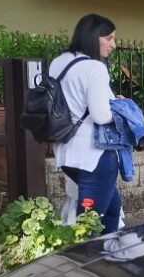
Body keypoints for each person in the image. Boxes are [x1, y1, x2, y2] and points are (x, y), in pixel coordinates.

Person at [50, 14, 122, 235]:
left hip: (67, 154)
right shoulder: (95, 68)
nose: (113, 44)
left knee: (112, 209)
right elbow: (101, 115)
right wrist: (118, 107)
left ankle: (109, 260)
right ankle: (86, 266)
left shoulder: (59, 62)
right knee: (88, 225)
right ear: (93, 36)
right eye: (108, 38)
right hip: (95, 157)